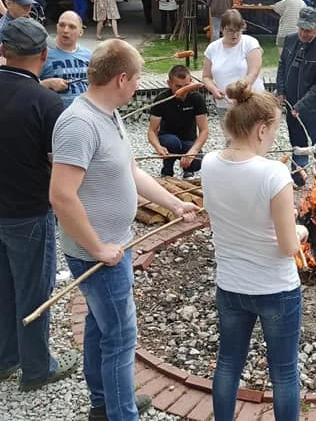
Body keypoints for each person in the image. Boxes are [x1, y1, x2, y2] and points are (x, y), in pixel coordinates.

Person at [50, 39, 199, 421]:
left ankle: (103, 403)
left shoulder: (109, 114)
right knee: (120, 339)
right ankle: (122, 413)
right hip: (98, 253)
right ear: (120, 78)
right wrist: (98, 247)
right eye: (135, 80)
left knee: (101, 328)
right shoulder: (79, 124)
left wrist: (174, 202)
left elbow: (131, 172)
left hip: (115, 243)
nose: (137, 87)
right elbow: (62, 197)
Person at [0, 17, 80, 391]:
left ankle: (4, 360)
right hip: (26, 214)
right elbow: (60, 163)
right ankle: (37, 369)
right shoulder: (46, 101)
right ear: (43, 54)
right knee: (33, 292)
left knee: (1, 288)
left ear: (3, 52)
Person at [200, 79, 308, 421]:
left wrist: (280, 218)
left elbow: (238, 212)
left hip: (230, 285)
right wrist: (301, 228)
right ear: (261, 129)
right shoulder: (274, 173)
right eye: (275, 129)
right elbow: (289, 245)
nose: (275, 137)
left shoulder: (208, 164)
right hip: (275, 288)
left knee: (228, 363)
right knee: (284, 373)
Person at [276, 7, 316, 176]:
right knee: (297, 142)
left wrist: (301, 106)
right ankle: (298, 176)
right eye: (301, 28)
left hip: (315, 108)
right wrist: (281, 90)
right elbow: (282, 66)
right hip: (292, 104)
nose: (304, 33)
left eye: (308, 30)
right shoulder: (290, 39)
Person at [148, 64, 209, 178]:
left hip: (188, 140)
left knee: (199, 160)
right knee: (173, 142)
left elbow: (204, 130)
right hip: (167, 138)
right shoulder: (162, 99)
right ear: (169, 83)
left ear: (191, 81)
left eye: (186, 85)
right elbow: (152, 130)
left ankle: (188, 170)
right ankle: (167, 170)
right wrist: (157, 147)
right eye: (178, 86)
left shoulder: (197, 98)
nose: (183, 90)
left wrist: (193, 151)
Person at [202, 9, 265, 116]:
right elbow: (206, 77)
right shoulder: (212, 48)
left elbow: (253, 72)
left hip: (250, 101)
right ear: (222, 29)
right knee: (229, 132)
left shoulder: (250, 43)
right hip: (225, 103)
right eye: (230, 30)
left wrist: (241, 92)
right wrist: (214, 89)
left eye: (238, 30)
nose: (234, 34)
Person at [38, 11, 92, 109]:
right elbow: (25, 86)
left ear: (81, 32)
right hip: (54, 114)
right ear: (57, 27)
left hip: (84, 114)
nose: (66, 30)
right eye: (62, 25)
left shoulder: (89, 55)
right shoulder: (43, 54)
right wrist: (47, 84)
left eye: (72, 27)